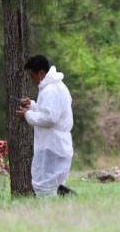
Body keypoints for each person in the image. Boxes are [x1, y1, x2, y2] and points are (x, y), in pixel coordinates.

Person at [15, 55, 76, 197]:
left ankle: (49, 213)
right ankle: (64, 205)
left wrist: (27, 114)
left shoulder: (50, 90)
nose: (31, 79)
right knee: (54, 185)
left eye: (32, 75)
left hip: (52, 144)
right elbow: (50, 111)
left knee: (45, 186)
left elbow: (50, 118)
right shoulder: (55, 86)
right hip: (57, 143)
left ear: (41, 73)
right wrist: (32, 105)